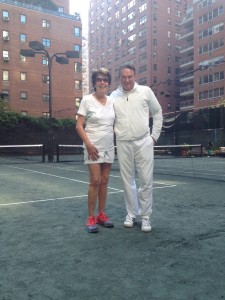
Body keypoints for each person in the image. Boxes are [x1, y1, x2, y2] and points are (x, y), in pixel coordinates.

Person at [110, 64, 163, 232]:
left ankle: (145, 217)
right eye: (124, 77)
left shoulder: (146, 91)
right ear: (120, 78)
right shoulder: (113, 96)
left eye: (130, 76)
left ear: (135, 76)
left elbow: (158, 112)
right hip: (123, 143)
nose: (127, 80)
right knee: (127, 181)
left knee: (146, 180)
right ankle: (131, 214)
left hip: (144, 142)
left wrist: (154, 136)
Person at [76, 68, 115, 233]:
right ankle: (90, 217)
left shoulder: (112, 101)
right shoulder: (87, 100)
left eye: (105, 79)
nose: (102, 82)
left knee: (105, 180)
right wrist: (89, 145)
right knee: (95, 181)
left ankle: (101, 214)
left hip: (109, 146)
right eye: (99, 79)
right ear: (94, 83)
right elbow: (79, 126)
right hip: (92, 147)